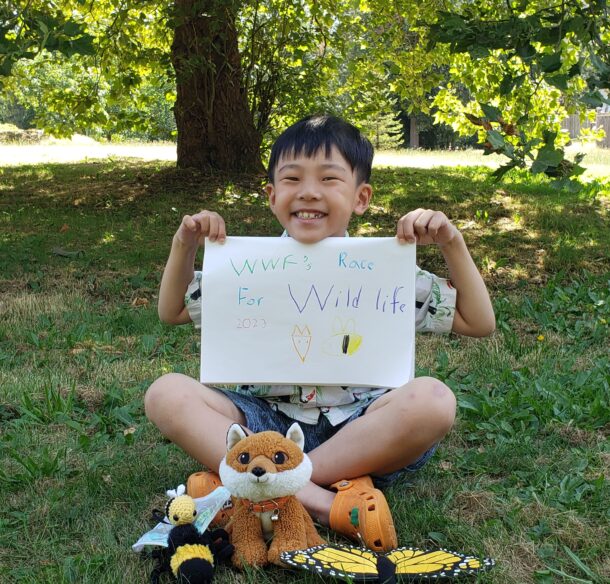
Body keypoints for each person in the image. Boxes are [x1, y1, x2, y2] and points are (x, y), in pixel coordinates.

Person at [145, 114, 495, 552]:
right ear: (272, 196)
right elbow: (172, 310)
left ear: (361, 197)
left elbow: (478, 322)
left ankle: (253, 483)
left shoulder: (386, 268)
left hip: (359, 430)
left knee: (434, 401)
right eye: (292, 179)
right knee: (165, 394)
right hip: (265, 422)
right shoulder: (243, 267)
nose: (309, 191)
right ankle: (322, 502)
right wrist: (185, 244)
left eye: (329, 179)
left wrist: (452, 242)